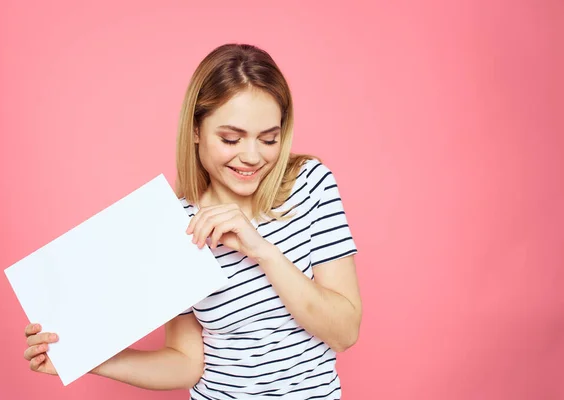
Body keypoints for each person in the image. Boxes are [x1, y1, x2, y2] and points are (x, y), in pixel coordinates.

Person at [23, 43, 362, 399]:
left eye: (269, 139)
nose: (251, 156)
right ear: (196, 129)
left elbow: (344, 332)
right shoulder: (174, 224)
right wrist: (83, 356)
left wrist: (262, 250)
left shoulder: (311, 185)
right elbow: (187, 363)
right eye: (230, 138)